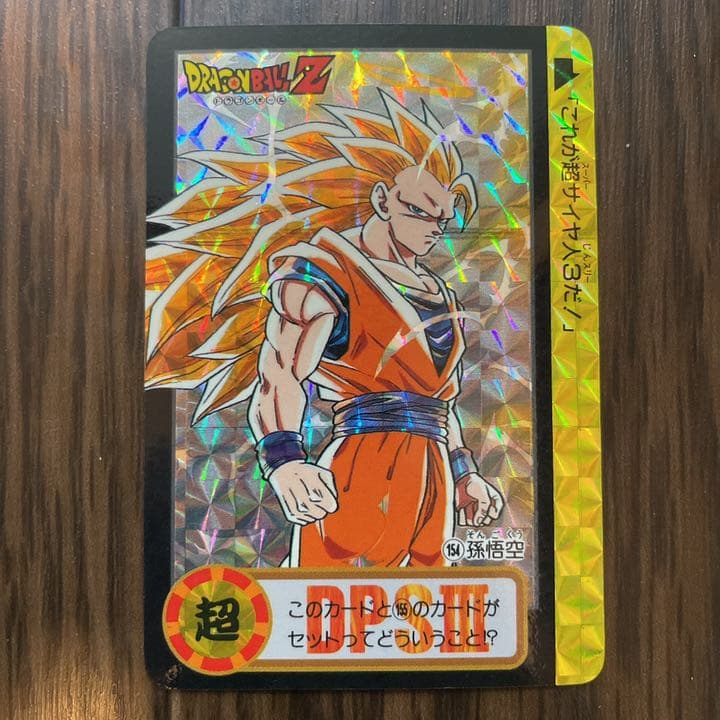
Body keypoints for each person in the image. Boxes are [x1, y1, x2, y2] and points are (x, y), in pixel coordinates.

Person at [145, 89, 504, 568]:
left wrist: (464, 473)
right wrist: (285, 459)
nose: (434, 227)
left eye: (442, 218)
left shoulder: (438, 290)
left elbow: (441, 404)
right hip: (363, 471)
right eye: (420, 211)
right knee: (334, 598)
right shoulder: (326, 271)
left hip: (434, 480)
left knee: (421, 609)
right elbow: (279, 372)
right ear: (381, 200)